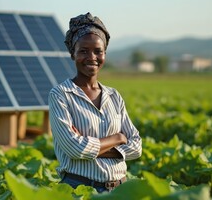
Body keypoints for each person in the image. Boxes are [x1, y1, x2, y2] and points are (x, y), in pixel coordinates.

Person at [48, 12, 142, 193]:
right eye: (83, 51)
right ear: (73, 54)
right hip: (79, 189)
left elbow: (137, 146)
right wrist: (117, 138)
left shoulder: (114, 96)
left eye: (98, 51)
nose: (92, 57)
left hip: (119, 190)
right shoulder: (61, 95)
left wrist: (89, 147)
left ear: (104, 54)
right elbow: (74, 149)